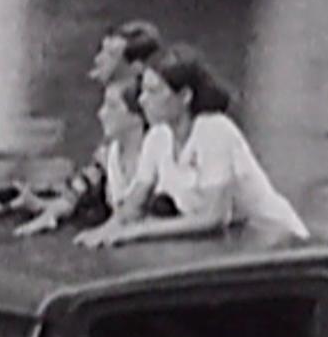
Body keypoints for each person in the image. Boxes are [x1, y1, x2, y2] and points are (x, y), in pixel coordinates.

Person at [76, 44, 309, 249]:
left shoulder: (215, 130)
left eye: (154, 91)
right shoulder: (157, 137)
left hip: (277, 239)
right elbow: (133, 205)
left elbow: (213, 217)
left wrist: (140, 232)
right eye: (144, 90)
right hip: (234, 243)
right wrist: (104, 232)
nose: (142, 100)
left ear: (185, 96)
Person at [12, 19, 164, 221]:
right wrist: (51, 205)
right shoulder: (114, 126)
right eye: (102, 51)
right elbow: (94, 172)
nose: (98, 59)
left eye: (110, 55)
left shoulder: (154, 126)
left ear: (136, 68)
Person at [16, 79, 166, 237]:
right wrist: (47, 210)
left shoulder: (156, 152)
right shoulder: (107, 154)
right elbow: (77, 190)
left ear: (136, 116)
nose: (101, 113)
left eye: (112, 106)